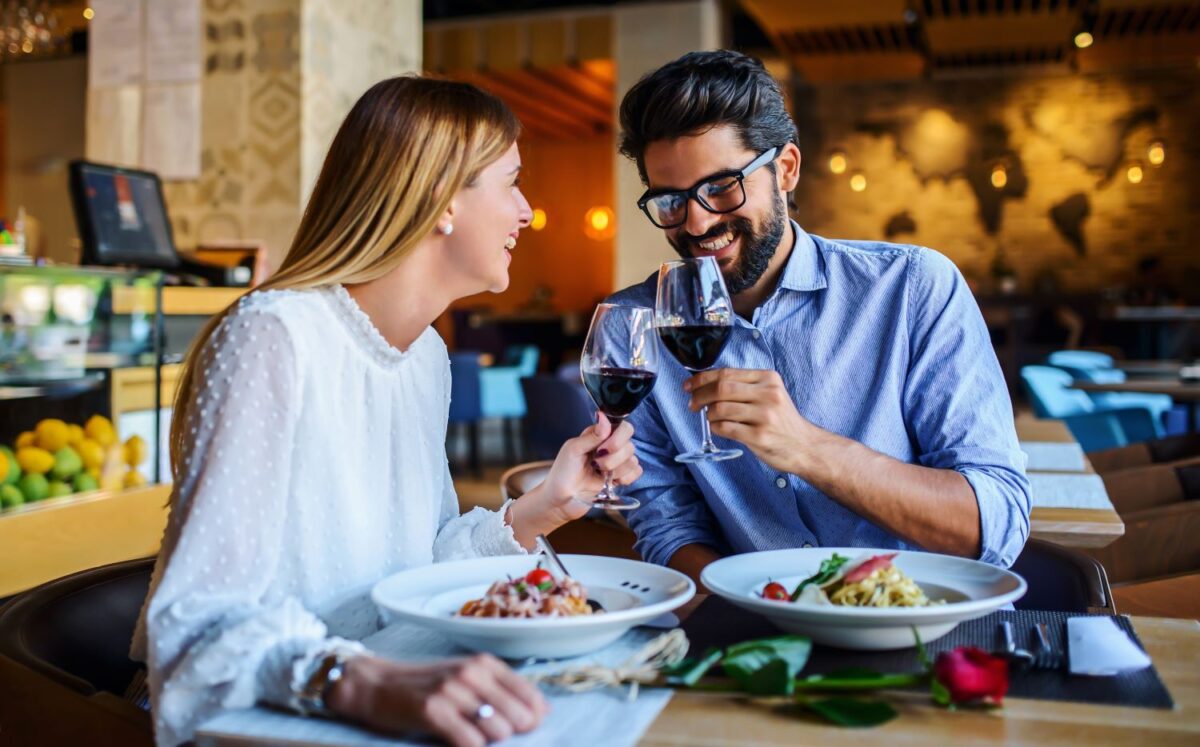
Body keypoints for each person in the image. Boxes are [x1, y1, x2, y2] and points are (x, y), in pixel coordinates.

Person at [130, 77, 643, 747]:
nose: (525, 210)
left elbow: (418, 568)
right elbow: (196, 624)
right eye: (511, 182)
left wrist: (544, 505)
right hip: (258, 721)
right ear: (440, 199)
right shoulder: (273, 336)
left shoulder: (425, 355)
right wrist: (362, 680)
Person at [607, 50, 1030, 585]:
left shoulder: (913, 287)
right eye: (671, 199)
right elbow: (668, 533)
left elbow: (994, 526)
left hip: (921, 627)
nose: (697, 221)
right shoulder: (633, 327)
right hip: (749, 636)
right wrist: (764, 618)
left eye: (720, 187)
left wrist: (808, 448)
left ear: (785, 169)